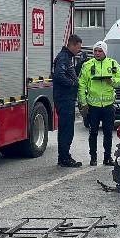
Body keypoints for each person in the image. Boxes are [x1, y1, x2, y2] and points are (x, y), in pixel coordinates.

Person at [78, 41, 120, 166]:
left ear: (105, 52)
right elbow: (81, 85)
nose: (97, 53)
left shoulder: (113, 64)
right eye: (95, 51)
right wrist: (83, 103)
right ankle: (93, 157)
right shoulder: (87, 65)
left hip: (108, 105)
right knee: (93, 133)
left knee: (108, 133)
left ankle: (107, 158)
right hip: (93, 106)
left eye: (100, 51)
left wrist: (111, 80)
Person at [52, 34, 83, 167]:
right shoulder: (64, 57)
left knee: (66, 129)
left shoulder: (67, 57)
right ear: (73, 44)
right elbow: (59, 76)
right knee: (66, 129)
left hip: (66, 98)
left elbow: (68, 73)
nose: (79, 50)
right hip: (64, 99)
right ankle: (64, 158)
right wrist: (73, 84)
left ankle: (64, 156)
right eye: (78, 47)